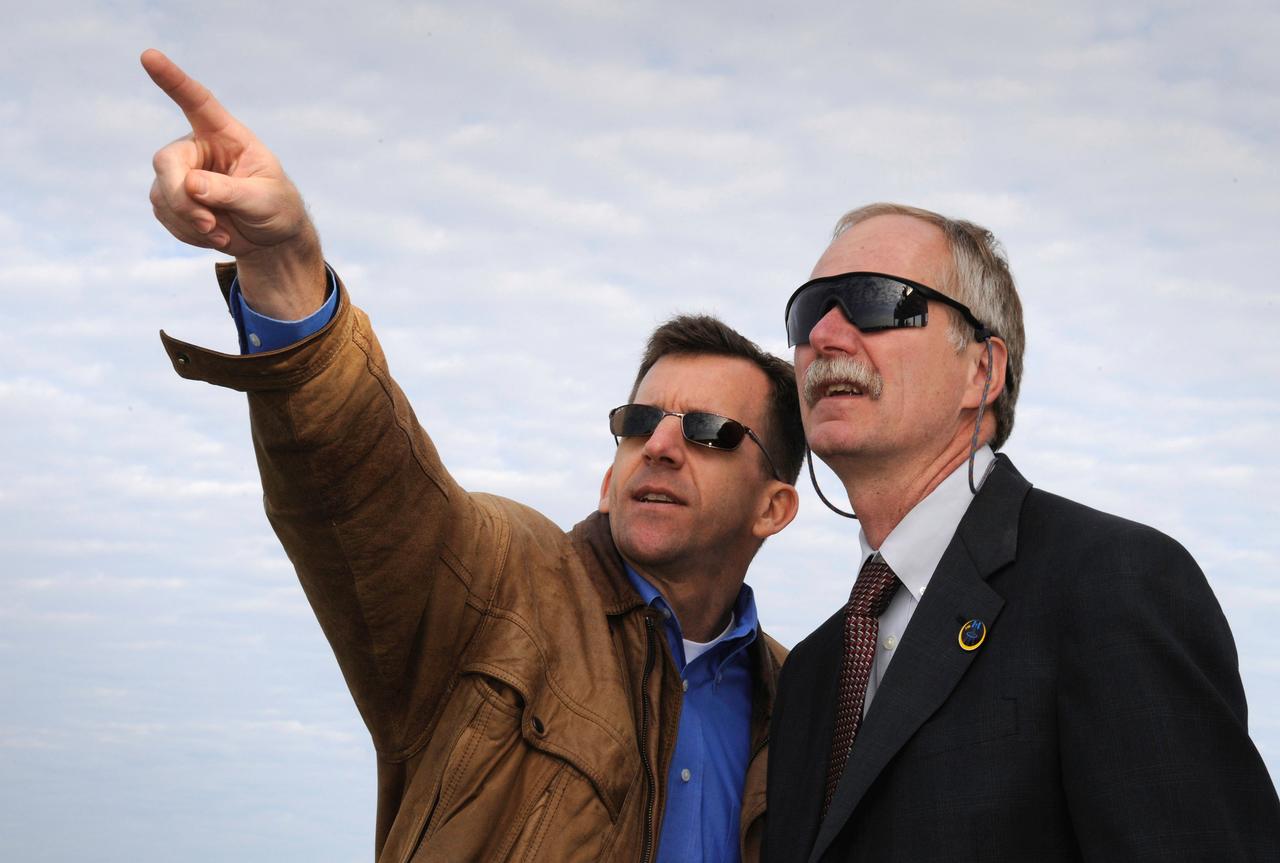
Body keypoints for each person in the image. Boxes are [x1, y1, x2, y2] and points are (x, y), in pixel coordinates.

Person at [141, 49, 806, 863]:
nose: (661, 444)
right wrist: (283, 267)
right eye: (639, 421)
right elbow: (365, 490)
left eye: (707, 431)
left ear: (776, 506)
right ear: (609, 474)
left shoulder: (811, 705)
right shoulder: (503, 587)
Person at [764, 203, 1280, 861]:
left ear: (983, 369)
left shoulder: (1114, 582)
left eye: (876, 300)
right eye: (808, 314)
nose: (827, 335)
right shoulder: (810, 672)